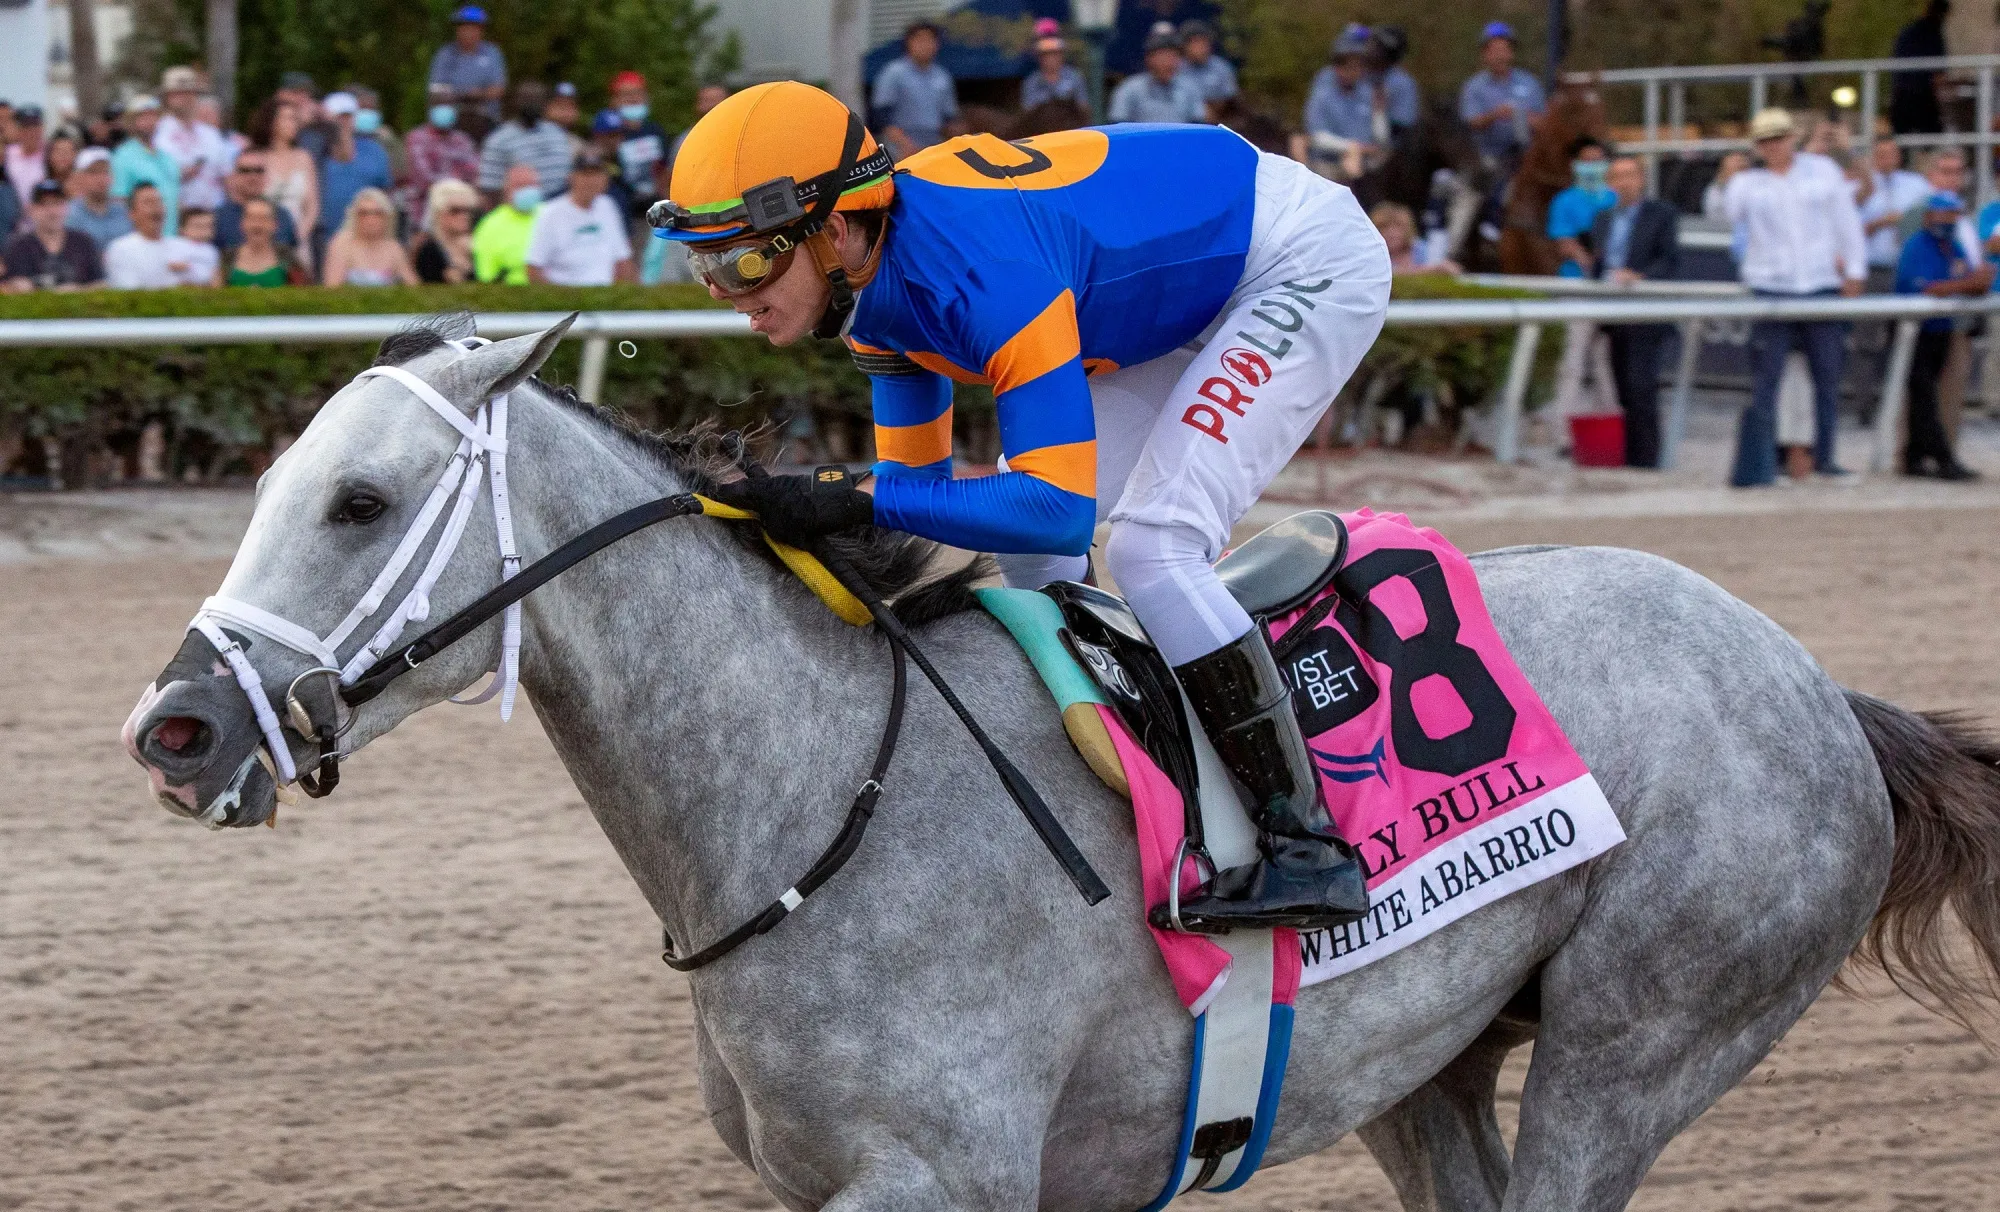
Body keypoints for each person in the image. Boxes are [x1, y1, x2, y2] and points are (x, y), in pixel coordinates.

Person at [652, 82, 1389, 932]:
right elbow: (912, 506)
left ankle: (1308, 848)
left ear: (832, 228)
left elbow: (1055, 508)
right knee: (1033, 567)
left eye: (745, 261)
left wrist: (845, 496)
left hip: (1293, 260)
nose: (726, 291)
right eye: (705, 266)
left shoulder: (981, 270)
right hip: (1178, 293)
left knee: (1154, 548)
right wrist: (800, 515)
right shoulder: (869, 294)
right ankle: (1118, 778)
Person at [1721, 108, 1868, 486]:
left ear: (1792, 139)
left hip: (1820, 284)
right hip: (1771, 288)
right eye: (1765, 141)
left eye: (1779, 138)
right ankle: (1766, 464)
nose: (1773, 147)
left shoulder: (1823, 170)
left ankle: (1826, 459)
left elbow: (1846, 221)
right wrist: (1726, 176)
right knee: (1766, 382)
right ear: (1757, 146)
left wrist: (1854, 270)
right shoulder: (1747, 183)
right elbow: (1723, 213)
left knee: (1828, 379)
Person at [1591, 156, 1681, 468]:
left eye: (1629, 175)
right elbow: (1599, 263)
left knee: (1642, 385)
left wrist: (1640, 277)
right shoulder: (1603, 219)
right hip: (1612, 312)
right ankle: (1630, 455)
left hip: (1645, 312)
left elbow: (1669, 261)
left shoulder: (1662, 214)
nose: (1624, 182)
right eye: (1617, 176)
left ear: (1641, 179)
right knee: (1623, 388)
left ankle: (1647, 458)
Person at [1895, 190, 1989, 480]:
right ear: (1928, 216)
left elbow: (1974, 281)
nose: (1945, 220)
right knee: (1923, 397)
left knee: (1928, 395)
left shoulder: (1953, 245)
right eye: (1940, 213)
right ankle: (1942, 459)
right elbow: (1927, 288)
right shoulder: (1917, 246)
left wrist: (1970, 282)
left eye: (1951, 214)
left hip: (1940, 329)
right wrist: (1967, 283)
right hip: (1913, 331)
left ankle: (1916, 456)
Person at [526, 149, 633, 285]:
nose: (591, 181)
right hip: (568, 300)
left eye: (596, 174)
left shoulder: (608, 206)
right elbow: (533, 268)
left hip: (605, 298)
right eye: (585, 174)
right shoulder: (550, 213)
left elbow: (622, 260)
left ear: (605, 179)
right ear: (572, 177)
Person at [314, 92, 392, 266]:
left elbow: (385, 194)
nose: (343, 121)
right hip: (323, 237)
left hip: (367, 239)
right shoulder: (314, 150)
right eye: (339, 116)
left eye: (348, 116)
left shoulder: (375, 151)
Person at [1458, 22, 1544, 172]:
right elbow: (1472, 123)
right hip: (1490, 158)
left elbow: (1545, 122)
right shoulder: (1474, 86)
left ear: (1511, 53)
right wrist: (1495, 115)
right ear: (1485, 55)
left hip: (1527, 157)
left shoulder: (1529, 82)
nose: (1500, 56)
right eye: (1494, 51)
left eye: (1504, 50)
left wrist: (1523, 117)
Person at [1302, 27, 1382, 183]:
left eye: (1359, 66)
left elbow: (1379, 139)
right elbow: (1317, 137)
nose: (1355, 72)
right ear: (1338, 67)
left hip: (1365, 163)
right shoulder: (1323, 91)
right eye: (1349, 66)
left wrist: (1379, 112)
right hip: (1328, 163)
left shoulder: (1366, 92)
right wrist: (1352, 147)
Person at [872, 20, 958, 160]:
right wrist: (906, 145)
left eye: (930, 40)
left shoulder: (942, 76)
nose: (925, 45)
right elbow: (881, 116)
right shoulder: (894, 72)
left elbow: (949, 117)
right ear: (908, 42)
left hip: (933, 145)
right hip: (899, 146)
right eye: (919, 40)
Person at [478, 82, 574, 202]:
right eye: (527, 99)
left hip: (561, 205)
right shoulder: (499, 139)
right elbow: (490, 189)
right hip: (521, 209)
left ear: (545, 104)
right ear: (516, 102)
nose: (532, 104)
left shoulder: (557, 133)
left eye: (537, 99)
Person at [2, 179, 103, 292]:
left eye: (57, 203)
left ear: (66, 207)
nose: (52, 211)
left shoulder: (83, 242)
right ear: (31, 209)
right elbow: (7, 287)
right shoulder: (18, 246)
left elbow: (101, 283)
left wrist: (75, 291)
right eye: (43, 204)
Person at [249, 96, 320, 258]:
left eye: (296, 119)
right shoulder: (256, 158)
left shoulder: (304, 158)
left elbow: (312, 205)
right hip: (261, 240)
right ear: (272, 121)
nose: (294, 123)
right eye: (288, 118)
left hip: (298, 239)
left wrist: (296, 236)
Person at [403, 83, 481, 229]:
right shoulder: (417, 139)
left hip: (460, 214)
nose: (445, 109)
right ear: (429, 108)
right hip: (424, 216)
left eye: (449, 105)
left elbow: (475, 175)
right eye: (440, 104)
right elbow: (426, 181)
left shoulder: (463, 140)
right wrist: (459, 179)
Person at [155, 66, 232, 212]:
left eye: (190, 93)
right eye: (178, 94)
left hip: (214, 214)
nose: (186, 98)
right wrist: (180, 174)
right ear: (167, 98)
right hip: (178, 215)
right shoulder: (157, 134)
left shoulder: (211, 134)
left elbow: (227, 176)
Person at [1861, 139, 1933, 288]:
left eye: (1891, 154)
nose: (1887, 159)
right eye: (1882, 154)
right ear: (1873, 157)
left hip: (1909, 266)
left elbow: (1931, 217)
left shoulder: (1917, 184)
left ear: (1899, 156)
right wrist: (1881, 222)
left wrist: (1906, 220)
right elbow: (1852, 231)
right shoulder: (1863, 186)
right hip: (1873, 267)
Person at [1108, 23, 1205, 125]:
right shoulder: (1130, 88)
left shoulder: (1189, 88)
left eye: (1174, 56)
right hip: (1142, 140)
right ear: (1149, 58)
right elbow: (1117, 122)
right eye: (1164, 56)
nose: (1169, 62)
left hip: (1180, 140)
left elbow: (1198, 123)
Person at [110, 96, 181, 235]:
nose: (149, 122)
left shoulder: (168, 157)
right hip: (141, 240)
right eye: (143, 117)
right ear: (131, 123)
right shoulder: (122, 156)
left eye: (153, 116)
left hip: (171, 238)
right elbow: (119, 202)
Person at [1547, 137, 1615, 277]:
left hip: (1618, 278)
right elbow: (1564, 242)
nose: (1592, 167)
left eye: (1597, 161)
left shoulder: (1616, 197)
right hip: (1577, 279)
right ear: (1575, 164)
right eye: (1587, 161)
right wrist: (1594, 269)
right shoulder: (1564, 201)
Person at [429, 4, 508, 126]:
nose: (468, 33)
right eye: (463, 28)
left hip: (486, 118)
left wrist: (478, 94)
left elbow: (499, 89)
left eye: (472, 28)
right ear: (457, 30)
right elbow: (435, 90)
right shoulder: (445, 54)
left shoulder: (492, 53)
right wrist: (462, 94)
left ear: (481, 30)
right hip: (453, 119)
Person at [321, 187, 417, 286]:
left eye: (378, 213)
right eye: (363, 214)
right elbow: (332, 289)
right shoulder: (341, 244)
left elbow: (414, 288)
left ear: (387, 217)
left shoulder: (393, 248)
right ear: (354, 216)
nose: (370, 219)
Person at [606, 71, 669, 220]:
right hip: (623, 213)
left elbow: (665, 169)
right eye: (626, 94)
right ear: (614, 100)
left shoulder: (656, 131)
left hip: (656, 211)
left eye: (637, 93)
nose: (633, 98)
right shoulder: (609, 134)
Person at [213, 148, 298, 253]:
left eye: (259, 170)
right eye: (245, 170)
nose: (253, 176)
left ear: (266, 175)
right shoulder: (217, 218)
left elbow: (291, 260)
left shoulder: (282, 215)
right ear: (234, 176)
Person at [103, 183, 187, 288]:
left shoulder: (181, 246)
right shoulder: (121, 248)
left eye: (159, 201)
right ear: (132, 213)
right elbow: (128, 291)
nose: (156, 207)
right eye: (148, 202)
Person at [472, 162, 540, 283]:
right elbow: (486, 276)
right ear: (507, 190)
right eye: (521, 186)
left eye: (531, 185)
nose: (527, 191)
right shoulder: (489, 226)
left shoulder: (552, 217)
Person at [1890, 0, 1950, 137]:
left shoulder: (1907, 32)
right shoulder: (1933, 35)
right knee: (1932, 137)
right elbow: (1939, 74)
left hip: (1901, 96)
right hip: (1922, 97)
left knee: (1902, 140)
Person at [413, 177, 479, 283]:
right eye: (455, 210)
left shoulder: (480, 246)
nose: (464, 216)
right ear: (439, 213)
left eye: (468, 210)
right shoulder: (429, 250)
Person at [64, 147, 131, 248]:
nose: (100, 178)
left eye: (105, 172)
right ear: (79, 177)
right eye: (93, 172)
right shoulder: (69, 215)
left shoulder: (125, 213)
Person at [224, 197, 295, 287]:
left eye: (264, 219)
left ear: (275, 224)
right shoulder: (227, 257)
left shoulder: (288, 257)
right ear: (242, 223)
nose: (257, 225)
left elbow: (304, 293)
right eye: (251, 218)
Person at [1371, 200, 1457, 274]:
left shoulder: (1421, 247)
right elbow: (1389, 274)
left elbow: (1447, 268)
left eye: (1397, 227)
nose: (1391, 233)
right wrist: (1431, 270)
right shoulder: (1373, 254)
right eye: (1384, 227)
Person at [1021, 20, 1088, 114]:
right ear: (1038, 57)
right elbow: (1028, 113)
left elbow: (1083, 108)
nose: (1051, 59)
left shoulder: (1075, 77)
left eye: (1055, 53)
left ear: (1062, 54)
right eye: (1046, 55)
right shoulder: (1032, 82)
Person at [1366, 25, 1420, 138]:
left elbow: (1403, 127)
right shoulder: (1344, 72)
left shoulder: (1403, 83)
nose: (1369, 48)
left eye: (1376, 46)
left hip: (1382, 144)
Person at [1177, 20, 1239, 115]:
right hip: (1184, 119)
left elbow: (1230, 99)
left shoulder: (1221, 67)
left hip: (1217, 119)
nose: (1200, 47)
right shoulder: (1175, 68)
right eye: (1195, 42)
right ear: (1184, 46)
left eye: (1204, 42)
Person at [6, 103, 46, 208]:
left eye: (36, 125)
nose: (32, 131)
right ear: (18, 129)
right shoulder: (7, 154)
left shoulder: (51, 154)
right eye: (26, 127)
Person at [168, 208, 222, 285]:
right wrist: (184, 267)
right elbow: (168, 264)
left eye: (208, 226)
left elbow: (216, 273)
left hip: (203, 289)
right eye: (198, 226)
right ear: (182, 229)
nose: (203, 230)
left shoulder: (212, 250)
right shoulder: (175, 243)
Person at [42, 130, 79, 195]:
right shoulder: (42, 185)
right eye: (58, 151)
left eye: (67, 152)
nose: (63, 156)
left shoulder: (82, 187)